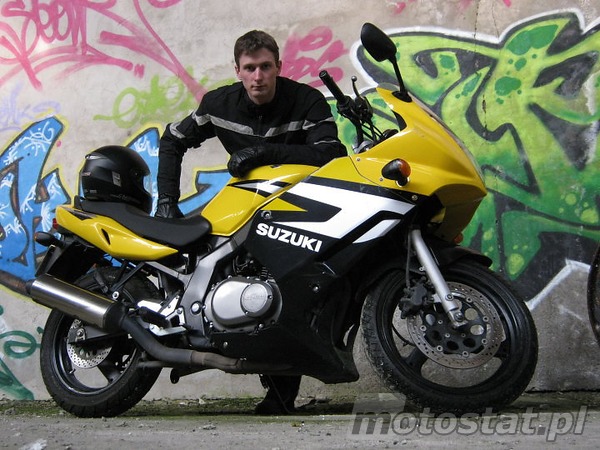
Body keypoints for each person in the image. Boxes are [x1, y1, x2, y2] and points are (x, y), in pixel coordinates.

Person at [154, 30, 347, 414]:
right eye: (250, 68)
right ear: (238, 71)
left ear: (278, 67)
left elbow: (331, 152)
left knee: (294, 290)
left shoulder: (306, 100)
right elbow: (173, 139)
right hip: (246, 208)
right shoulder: (218, 103)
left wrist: (265, 152)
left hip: (297, 208)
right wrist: (166, 202)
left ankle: (280, 395)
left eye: (265, 67)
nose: (258, 77)